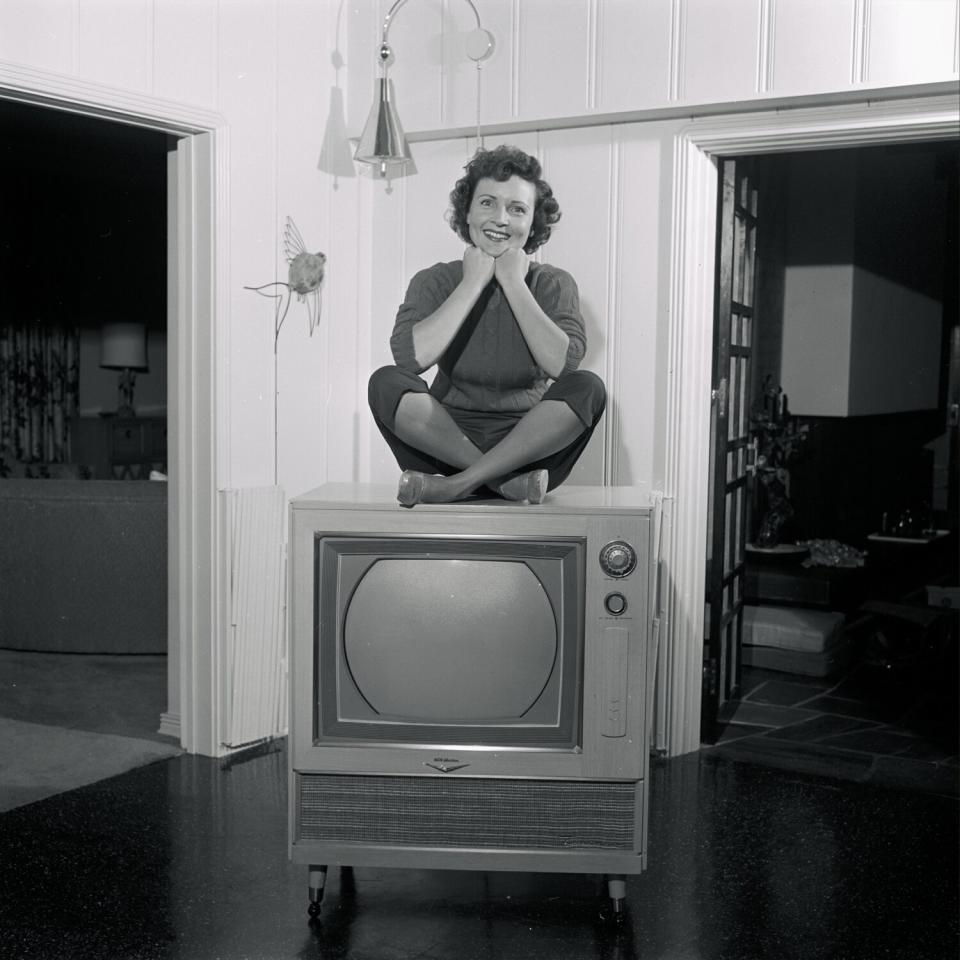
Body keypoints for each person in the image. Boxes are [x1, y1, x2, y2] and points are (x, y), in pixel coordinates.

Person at [368, 144, 606, 507]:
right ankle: (502, 482)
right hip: (443, 443)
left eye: (517, 209)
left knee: (588, 387)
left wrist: (513, 282)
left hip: (529, 447)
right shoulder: (434, 280)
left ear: (532, 223)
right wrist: (471, 283)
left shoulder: (554, 283)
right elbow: (411, 360)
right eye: (487, 203)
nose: (501, 218)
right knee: (385, 381)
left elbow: (562, 366)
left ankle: (455, 486)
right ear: (467, 213)